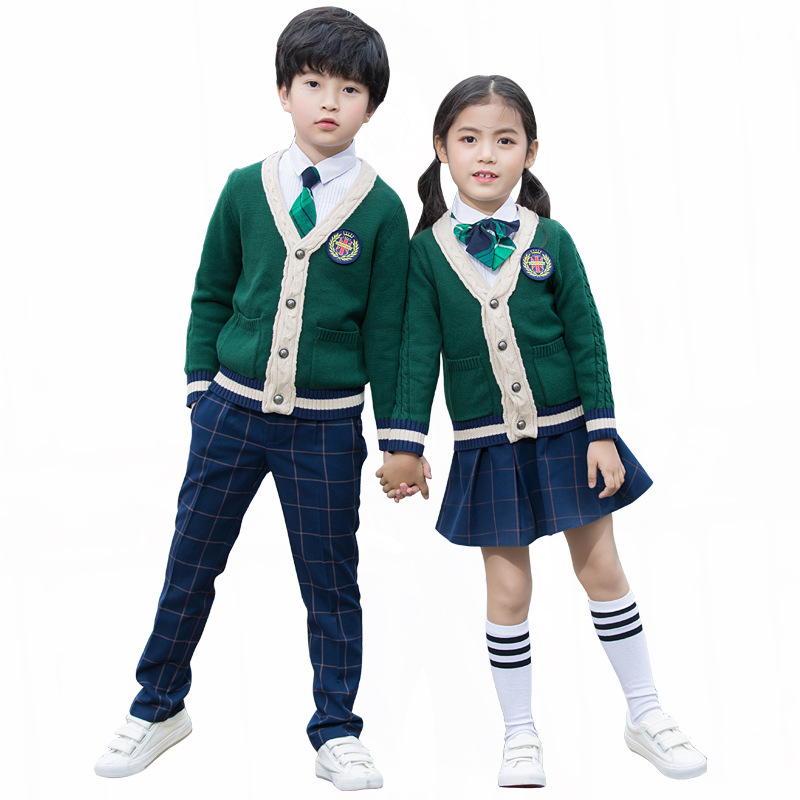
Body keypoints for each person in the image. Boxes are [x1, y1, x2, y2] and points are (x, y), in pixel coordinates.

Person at [94, 7, 409, 791]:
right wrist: (201, 389)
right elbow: (211, 293)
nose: (329, 102)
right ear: (283, 91)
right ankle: (157, 706)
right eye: (313, 83)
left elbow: (390, 335)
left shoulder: (381, 210)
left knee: (330, 580)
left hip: (327, 429)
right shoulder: (244, 189)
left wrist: (401, 438)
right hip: (230, 414)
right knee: (191, 560)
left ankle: (337, 729)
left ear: (371, 106)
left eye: (349, 89)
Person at [377, 75, 706, 788]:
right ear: (441, 148)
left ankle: (645, 711)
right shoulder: (425, 254)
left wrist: (601, 432)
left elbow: (587, 336)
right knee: (507, 593)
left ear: (530, 152)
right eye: (469, 139)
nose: (485, 154)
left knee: (602, 570)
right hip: (487, 447)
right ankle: (520, 733)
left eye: (505, 140)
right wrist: (405, 444)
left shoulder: (551, 240)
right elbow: (415, 354)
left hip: (568, 437)